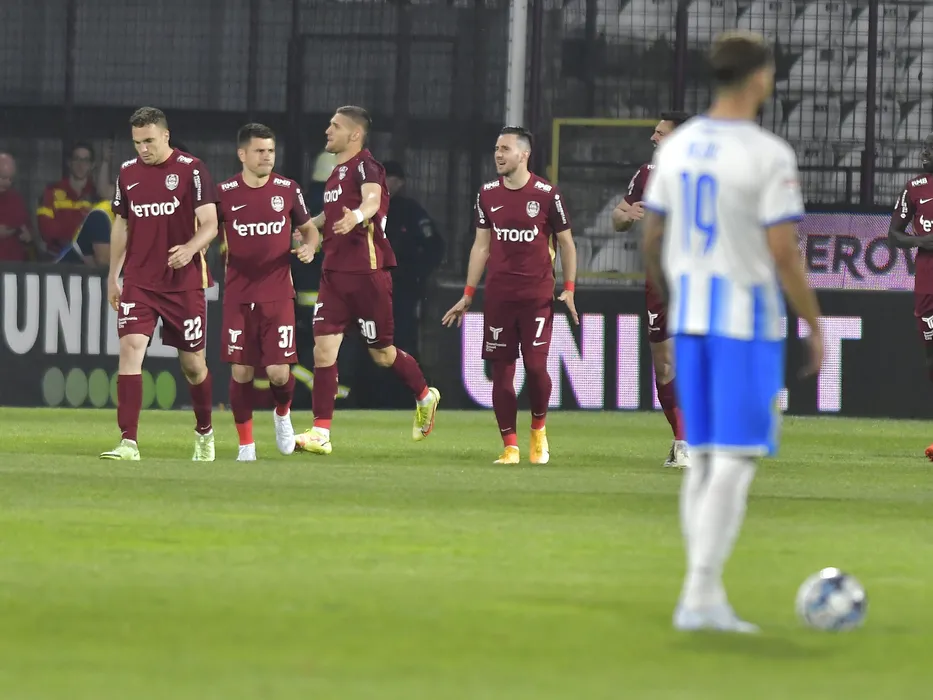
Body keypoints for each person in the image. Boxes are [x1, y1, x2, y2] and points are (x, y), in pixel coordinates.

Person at [641, 31, 823, 632]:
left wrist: (673, 301)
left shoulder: (678, 148)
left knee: (704, 457)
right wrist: (813, 321)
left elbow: (651, 238)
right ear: (760, 77)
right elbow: (784, 252)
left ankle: (702, 595)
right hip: (744, 323)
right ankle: (699, 596)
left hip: (692, 317)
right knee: (735, 461)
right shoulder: (766, 153)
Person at [295, 105, 440, 455]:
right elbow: (328, 215)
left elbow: (372, 200)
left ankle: (425, 395)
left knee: (382, 354)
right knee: (323, 350)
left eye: (335, 126)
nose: (328, 130)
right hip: (333, 276)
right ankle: (321, 433)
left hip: (367, 276)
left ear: (355, 134)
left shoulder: (368, 166)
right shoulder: (335, 174)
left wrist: (357, 217)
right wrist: (307, 228)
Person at [442, 126, 579, 465]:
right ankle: (510, 446)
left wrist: (569, 289)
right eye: (496, 149)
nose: (498, 155)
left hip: (536, 297)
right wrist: (468, 293)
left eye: (505, 149)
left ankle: (538, 430)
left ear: (524, 154)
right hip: (499, 297)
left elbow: (566, 243)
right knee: (501, 371)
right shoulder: (487, 194)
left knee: (535, 367)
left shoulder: (547, 194)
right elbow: (481, 246)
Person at [100, 106, 220, 461]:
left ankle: (204, 431)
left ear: (165, 136)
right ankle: (128, 442)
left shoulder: (192, 170)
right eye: (137, 142)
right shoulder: (128, 173)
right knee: (131, 348)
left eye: (149, 141)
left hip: (183, 283)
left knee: (193, 366)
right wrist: (113, 275)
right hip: (139, 281)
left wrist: (190, 249)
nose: (143, 149)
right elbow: (122, 224)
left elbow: (211, 223)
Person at [217, 123, 320, 462]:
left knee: (278, 372)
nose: (267, 157)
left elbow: (309, 230)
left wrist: (309, 247)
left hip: (277, 294)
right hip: (238, 295)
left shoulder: (287, 190)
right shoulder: (225, 192)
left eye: (271, 151)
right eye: (260, 151)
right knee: (241, 371)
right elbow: (205, 228)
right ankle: (246, 445)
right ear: (242, 154)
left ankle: (282, 414)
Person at [613, 111, 692, 468]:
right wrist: (627, 215)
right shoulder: (647, 174)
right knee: (664, 365)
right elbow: (618, 218)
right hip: (658, 279)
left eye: (660, 133)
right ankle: (682, 440)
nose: (653, 138)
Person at [887, 132, 933, 460]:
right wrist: (921, 242)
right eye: (926, 147)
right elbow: (893, 235)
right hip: (927, 283)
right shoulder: (914, 188)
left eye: (932, 148)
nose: (925, 153)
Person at [37, 142, 99, 257]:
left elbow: (98, 235)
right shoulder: (51, 191)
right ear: (69, 163)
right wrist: (79, 231)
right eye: (77, 159)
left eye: (85, 160)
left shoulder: (96, 196)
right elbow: (46, 231)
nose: (80, 165)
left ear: (92, 165)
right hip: (56, 258)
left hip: (87, 261)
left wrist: (63, 228)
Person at [0, 152, 35, 262]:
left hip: (15, 266)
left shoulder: (16, 200)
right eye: (3, 177)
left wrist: (28, 236)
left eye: (11, 179)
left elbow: (28, 228)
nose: (7, 183)